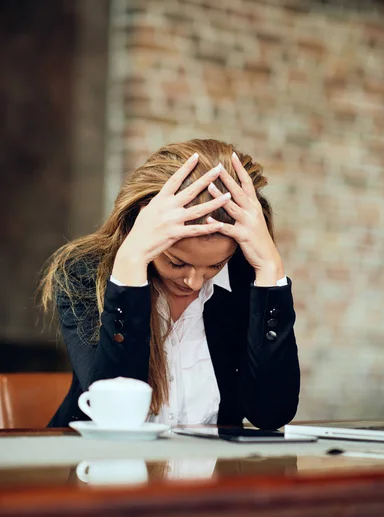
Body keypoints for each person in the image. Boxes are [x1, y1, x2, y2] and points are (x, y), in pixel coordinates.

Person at [41, 139, 300, 428]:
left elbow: (271, 414)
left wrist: (271, 271)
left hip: (214, 471)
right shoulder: (85, 273)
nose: (193, 281)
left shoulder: (244, 281)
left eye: (215, 265)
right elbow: (115, 413)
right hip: (101, 466)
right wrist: (131, 263)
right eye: (177, 262)